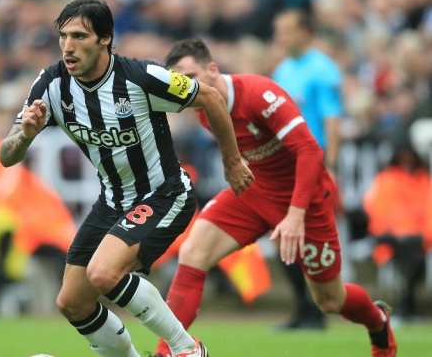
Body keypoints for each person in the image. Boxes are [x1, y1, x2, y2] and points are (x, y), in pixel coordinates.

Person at [0, 0, 253, 357]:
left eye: (80, 36)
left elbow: (209, 97)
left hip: (165, 195)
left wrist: (232, 161)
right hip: (112, 203)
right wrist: (25, 134)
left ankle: (188, 350)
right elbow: (6, 156)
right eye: (63, 36)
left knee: (103, 273)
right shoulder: (52, 84)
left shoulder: (141, 77)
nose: (68, 46)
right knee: (72, 302)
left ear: (105, 39)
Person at [153, 38, 396, 357]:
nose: (188, 87)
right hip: (255, 192)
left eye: (192, 76)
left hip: (304, 200)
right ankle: (167, 351)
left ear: (213, 69)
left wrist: (295, 215)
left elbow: (309, 150)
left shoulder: (258, 94)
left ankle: (378, 322)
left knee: (330, 301)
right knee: (193, 252)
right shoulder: (203, 109)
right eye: (181, 82)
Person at [270, 8, 344, 330]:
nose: (280, 38)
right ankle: (304, 307)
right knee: (282, 238)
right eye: (278, 31)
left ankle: (318, 308)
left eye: (286, 31)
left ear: (304, 32)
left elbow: (332, 119)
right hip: (284, 165)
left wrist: (332, 165)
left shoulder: (322, 70)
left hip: (312, 163)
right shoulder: (283, 69)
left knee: (309, 238)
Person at [363, 143, 431, 323]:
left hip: (417, 239)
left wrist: (423, 235)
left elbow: (428, 211)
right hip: (391, 237)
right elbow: (379, 210)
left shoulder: (423, 180)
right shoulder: (387, 179)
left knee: (415, 264)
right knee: (403, 264)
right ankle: (400, 308)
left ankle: (406, 308)